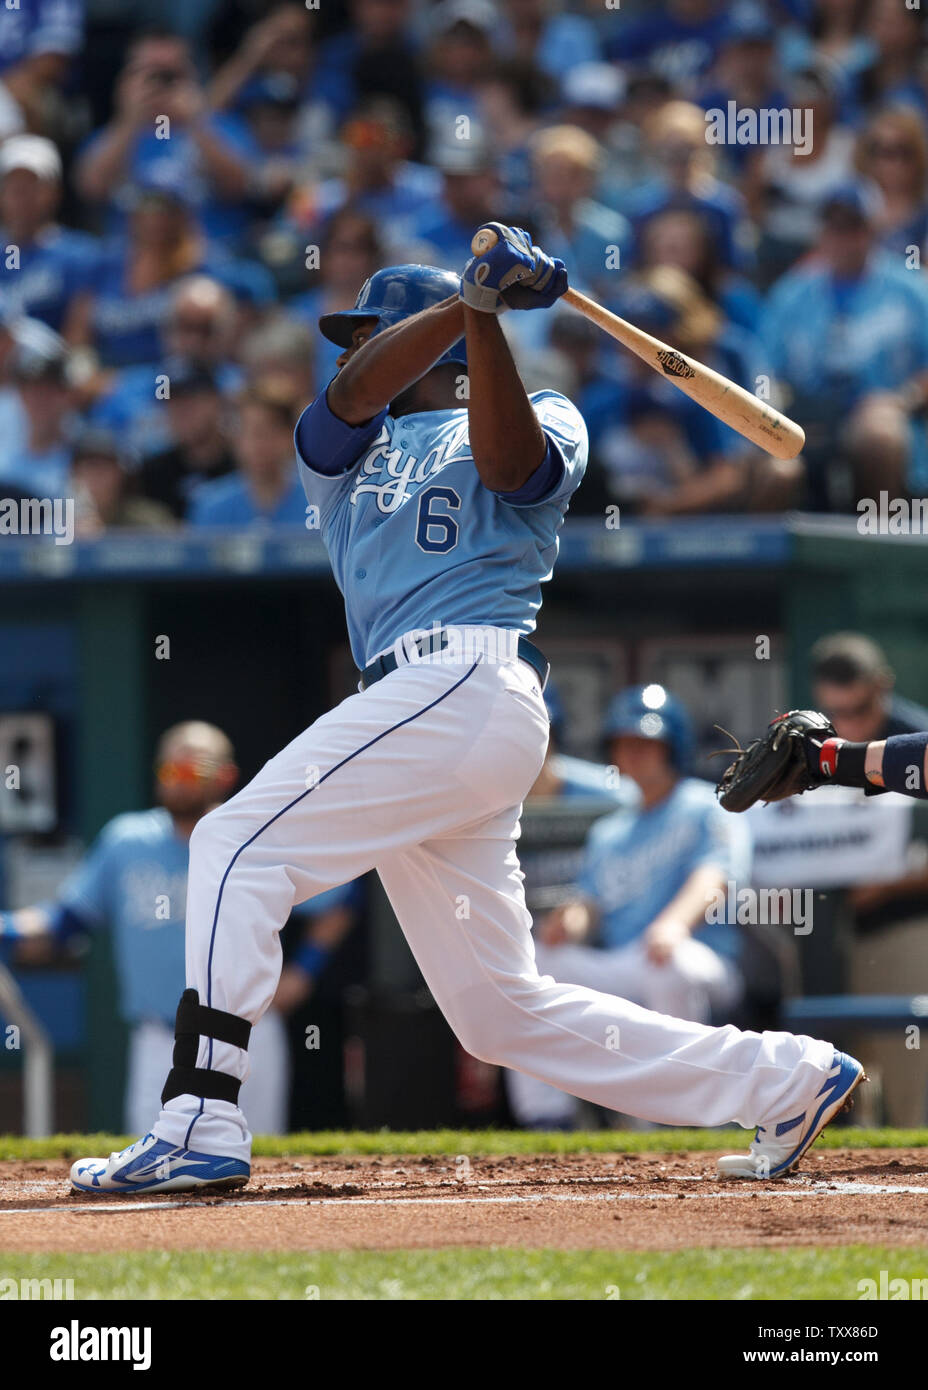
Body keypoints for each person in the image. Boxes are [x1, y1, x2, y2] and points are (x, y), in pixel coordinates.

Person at [69, 232, 863, 1196]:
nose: (352, 350)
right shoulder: (342, 450)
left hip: (467, 680)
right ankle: (787, 1078)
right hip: (423, 710)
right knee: (499, 1013)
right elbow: (353, 393)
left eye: (373, 329)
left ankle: (201, 1114)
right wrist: (470, 304)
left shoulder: (547, 411)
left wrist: (480, 319)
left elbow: (512, 466)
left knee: (233, 847)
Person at [0, 723, 291, 1135]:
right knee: (152, 1168)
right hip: (160, 1038)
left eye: (188, 771)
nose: (175, 782)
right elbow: (67, 919)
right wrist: (7, 928)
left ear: (223, 776)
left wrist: (307, 972)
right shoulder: (127, 840)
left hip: (246, 1030)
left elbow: (336, 901)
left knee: (260, 1162)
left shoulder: (253, 837)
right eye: (167, 772)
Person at [507, 685, 747, 1128]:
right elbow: (590, 903)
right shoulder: (611, 828)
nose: (632, 753)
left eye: (644, 743)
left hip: (699, 960)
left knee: (668, 961)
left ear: (672, 746)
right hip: (628, 962)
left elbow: (717, 877)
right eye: (623, 743)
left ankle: (676, 1113)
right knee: (536, 962)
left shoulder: (705, 804)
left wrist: (674, 924)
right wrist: (571, 923)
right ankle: (546, 1116)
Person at [763, 183, 928, 508]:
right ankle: (769, 557)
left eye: (852, 227)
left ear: (872, 230)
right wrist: (779, 403)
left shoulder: (910, 288)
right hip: (807, 416)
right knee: (773, 465)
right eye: (832, 227)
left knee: (878, 436)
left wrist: (903, 399)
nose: (841, 238)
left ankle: (879, 550)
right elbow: (765, 368)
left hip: (882, 412)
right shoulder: (792, 292)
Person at [0, 135, 101, 333]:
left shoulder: (82, 254)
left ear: (55, 192)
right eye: (14, 186)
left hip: (54, 360)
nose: (22, 196)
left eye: (33, 186)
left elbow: (79, 332)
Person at [188, 377, 308, 527]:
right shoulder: (210, 504)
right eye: (248, 433)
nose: (258, 445)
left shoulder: (316, 502)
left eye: (268, 433)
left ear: (290, 436)